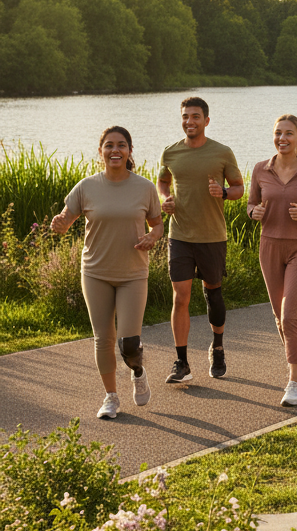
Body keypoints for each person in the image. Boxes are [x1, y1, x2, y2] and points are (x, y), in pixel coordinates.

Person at [50, 127, 163, 419]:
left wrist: (153, 237)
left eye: (121, 145)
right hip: (95, 272)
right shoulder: (86, 187)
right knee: (103, 338)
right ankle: (111, 397)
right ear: (100, 151)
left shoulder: (145, 187)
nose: (115, 150)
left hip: (133, 274)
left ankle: (137, 370)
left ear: (129, 151)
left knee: (129, 343)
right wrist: (60, 224)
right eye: (109, 145)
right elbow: (66, 219)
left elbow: (158, 225)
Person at [157, 97, 245, 384]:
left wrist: (223, 192)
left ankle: (217, 347)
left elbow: (239, 188)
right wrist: (164, 198)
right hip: (180, 235)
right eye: (185, 116)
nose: (189, 121)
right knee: (180, 297)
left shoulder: (222, 152)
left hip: (212, 236)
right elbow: (162, 181)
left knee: (213, 293)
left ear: (206, 121)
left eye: (195, 116)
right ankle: (182, 363)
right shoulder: (170, 152)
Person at [247, 114, 297, 407]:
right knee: (278, 317)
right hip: (269, 247)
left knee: (290, 317)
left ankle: (294, 382)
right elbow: (251, 203)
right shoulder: (261, 169)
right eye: (278, 133)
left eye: (289, 133)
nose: (282, 139)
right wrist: (253, 212)